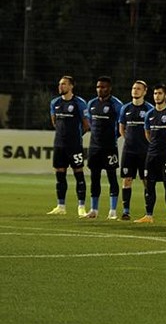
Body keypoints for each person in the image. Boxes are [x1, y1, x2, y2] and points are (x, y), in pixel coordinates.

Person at [47, 75, 90, 216]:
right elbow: (55, 122)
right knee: (60, 175)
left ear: (71, 86)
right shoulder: (55, 102)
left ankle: (81, 207)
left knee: (79, 174)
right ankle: (61, 206)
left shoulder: (79, 103)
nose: (61, 86)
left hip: (75, 146)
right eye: (60, 84)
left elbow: (86, 125)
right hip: (59, 145)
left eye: (64, 84)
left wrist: (75, 136)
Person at [85, 76, 122, 219]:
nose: (100, 89)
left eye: (103, 87)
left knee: (112, 177)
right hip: (94, 147)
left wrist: (112, 138)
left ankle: (112, 211)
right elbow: (90, 123)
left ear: (109, 88)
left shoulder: (116, 105)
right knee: (95, 178)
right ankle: (94, 209)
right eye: (98, 87)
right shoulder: (92, 104)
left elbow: (121, 125)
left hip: (109, 147)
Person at [137, 84, 166, 223]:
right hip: (151, 155)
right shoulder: (149, 114)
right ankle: (149, 215)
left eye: (159, 93)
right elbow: (147, 133)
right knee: (149, 185)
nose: (157, 96)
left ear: (165, 95)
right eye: (155, 93)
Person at [117, 80, 154, 220]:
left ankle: (148, 213)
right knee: (127, 179)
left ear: (144, 91)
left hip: (145, 151)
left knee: (146, 181)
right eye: (133, 88)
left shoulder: (149, 109)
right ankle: (126, 211)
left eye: (139, 89)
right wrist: (129, 140)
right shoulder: (125, 108)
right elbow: (122, 128)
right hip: (129, 151)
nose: (135, 90)